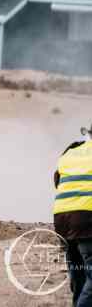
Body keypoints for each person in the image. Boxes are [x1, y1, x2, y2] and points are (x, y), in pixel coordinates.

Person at [53, 124, 92, 307]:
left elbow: (57, 181)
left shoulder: (72, 150)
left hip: (62, 218)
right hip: (87, 220)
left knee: (79, 277)